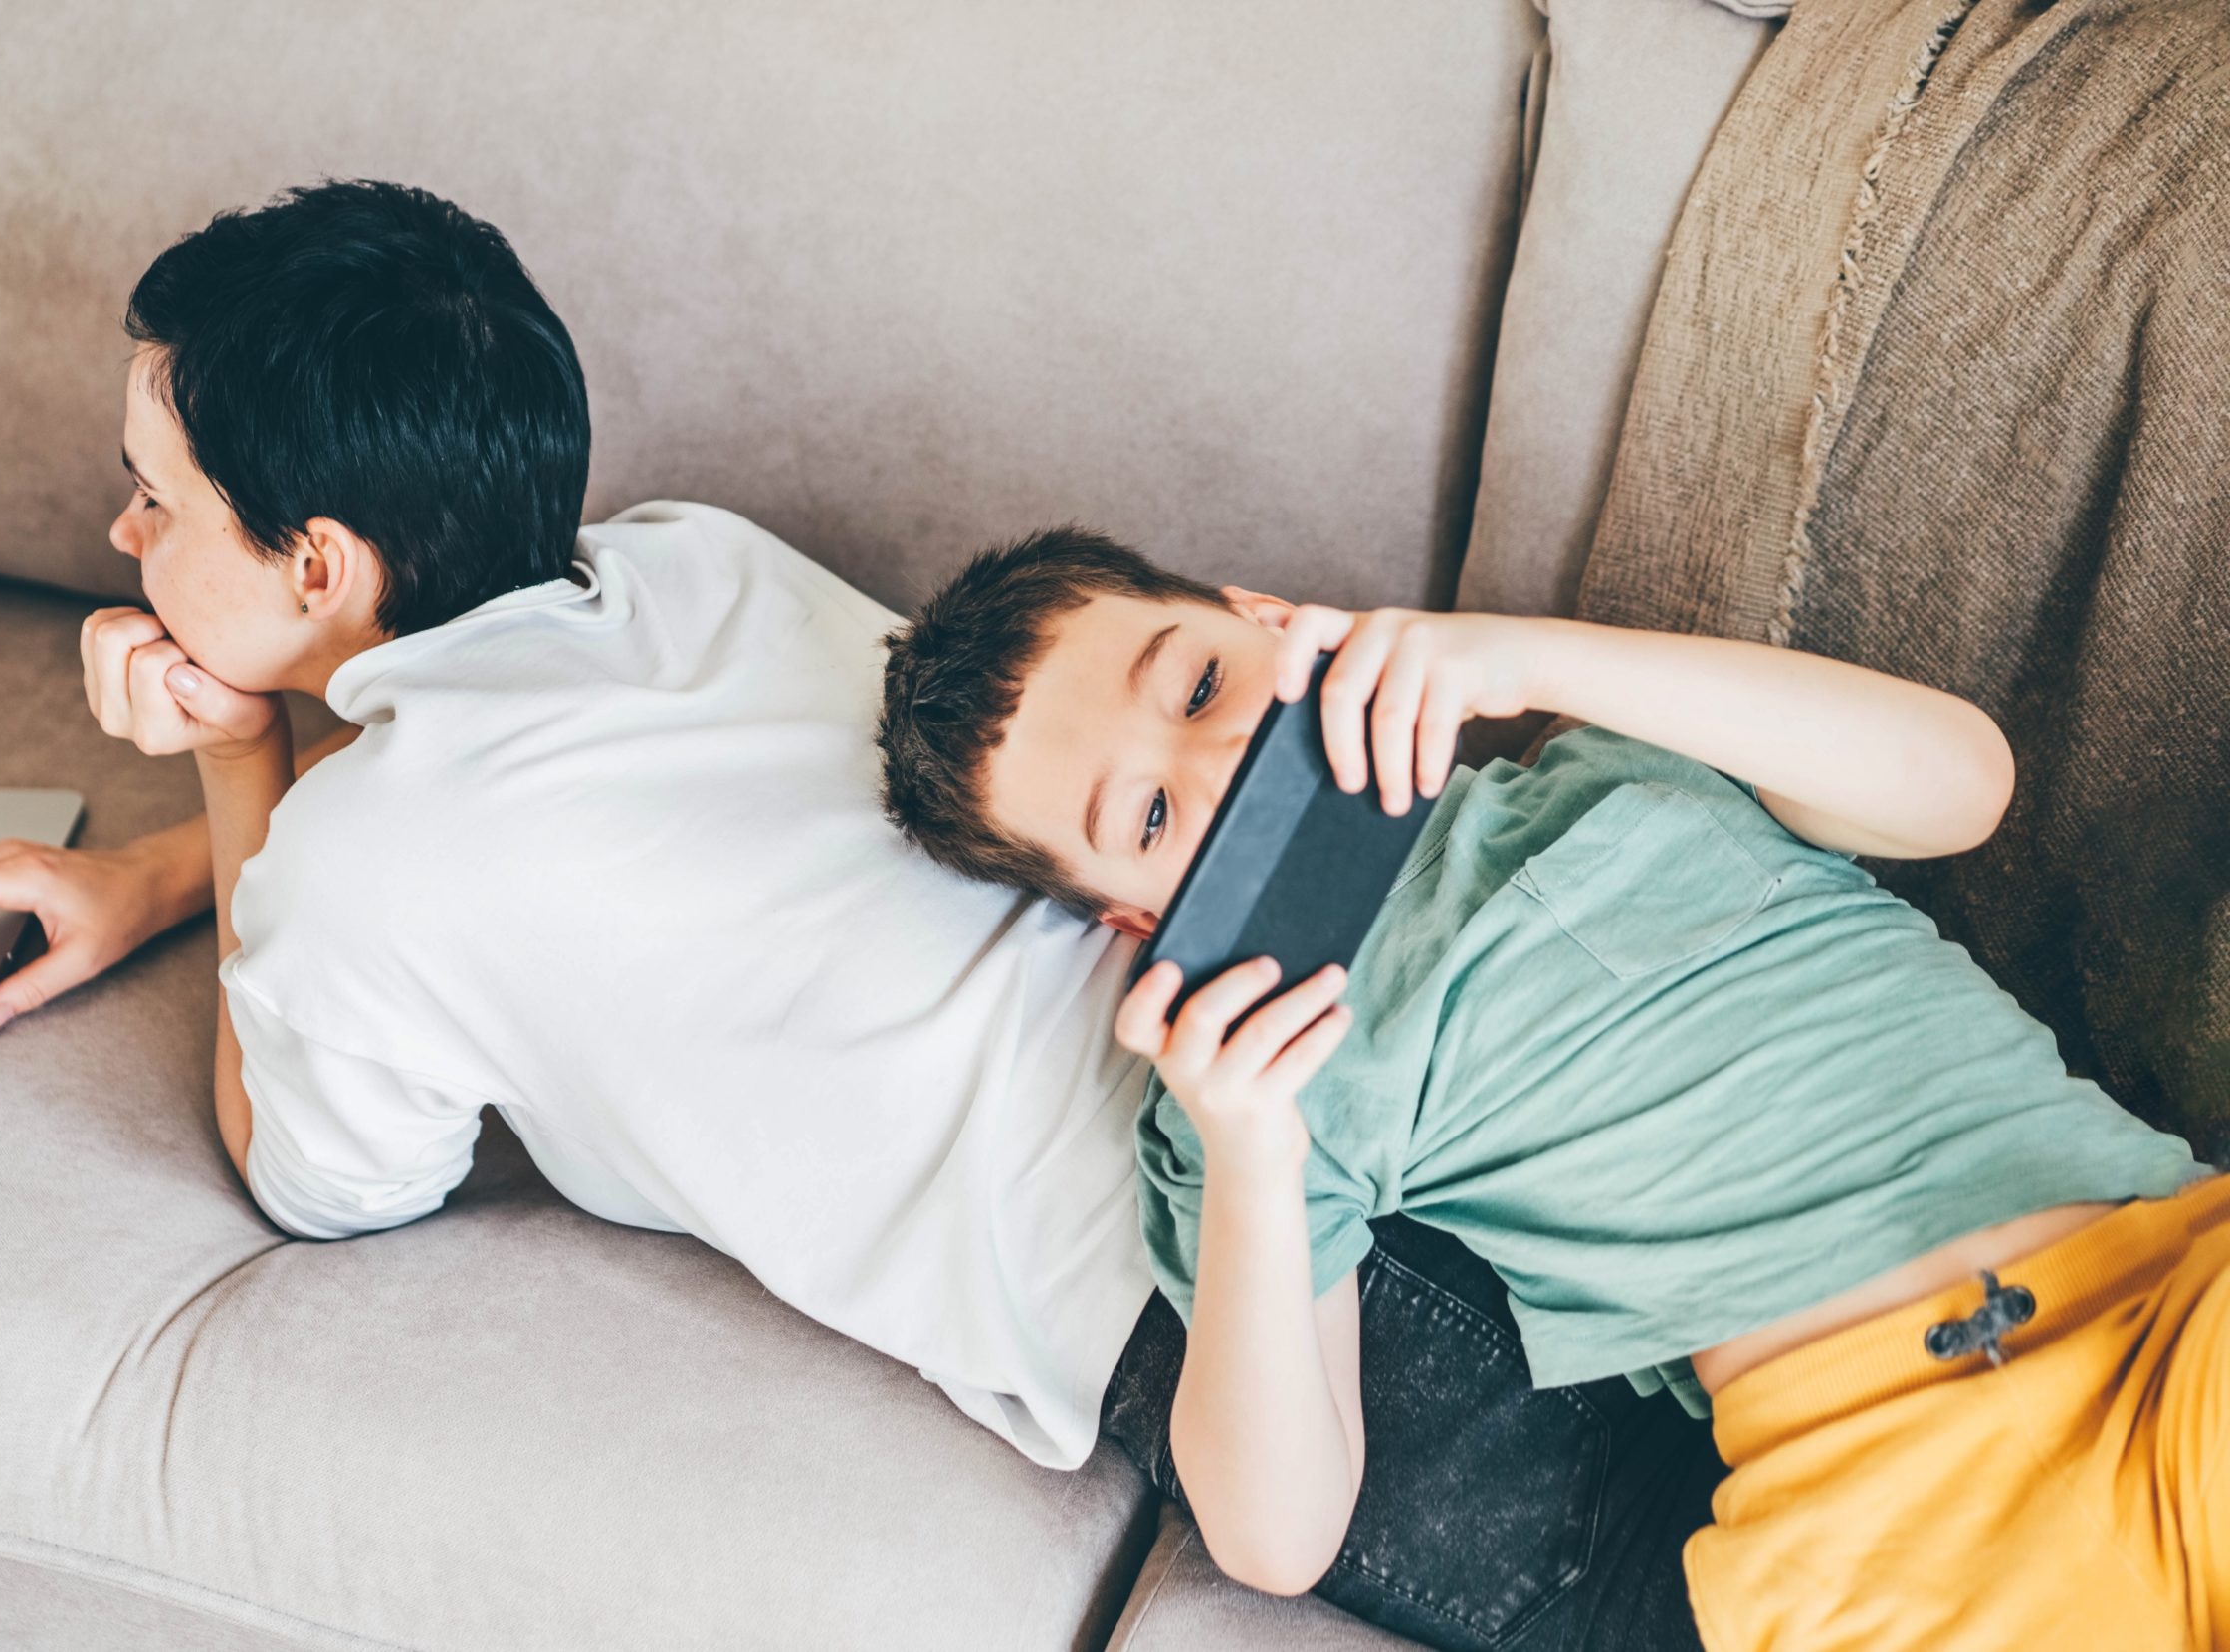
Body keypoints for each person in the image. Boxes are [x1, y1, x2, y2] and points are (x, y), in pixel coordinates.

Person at [0, 180, 1716, 1651]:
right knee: (1901, 1426)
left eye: (155, 499)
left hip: (1207, 1289)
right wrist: (156, 879)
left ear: (316, 567)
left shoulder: (360, 874)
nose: (122, 539)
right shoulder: (695, 563)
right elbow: (551, 833)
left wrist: (233, 765)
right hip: (1362, 1016)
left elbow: (316, 1179)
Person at [874, 526, 2224, 1652]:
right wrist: (1254, 1153)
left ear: (1269, 619)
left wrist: (1509, 655)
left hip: (2160, 1293)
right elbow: (1275, 1536)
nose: (1216, 769)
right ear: (1127, 922)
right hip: (1882, 1511)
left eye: (1199, 688)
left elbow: (1963, 784)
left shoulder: (1617, 760)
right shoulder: (1250, 1102)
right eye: (1152, 820)